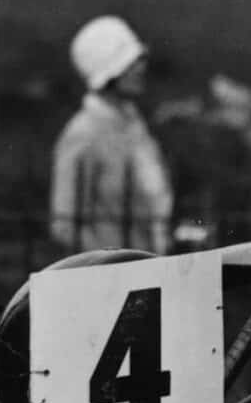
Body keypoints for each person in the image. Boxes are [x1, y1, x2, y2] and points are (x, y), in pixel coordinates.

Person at [48, 13, 173, 253]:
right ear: (107, 74)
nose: (140, 68)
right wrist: (112, 266)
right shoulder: (84, 133)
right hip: (113, 279)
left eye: (139, 60)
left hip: (151, 271)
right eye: (128, 63)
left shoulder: (136, 127)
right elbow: (64, 224)